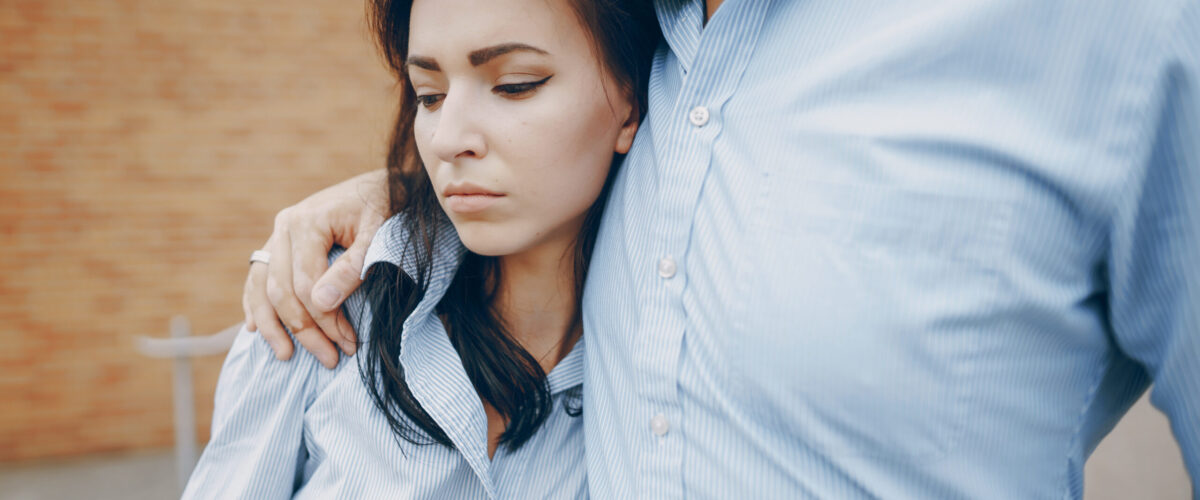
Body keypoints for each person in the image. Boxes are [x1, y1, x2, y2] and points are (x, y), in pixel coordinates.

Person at [247, 0, 1200, 497]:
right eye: (429, 95)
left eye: (516, 86)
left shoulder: (1113, 36)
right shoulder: (634, 41)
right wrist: (411, 204)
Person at [183, 0, 659, 497]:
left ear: (630, 102)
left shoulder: (666, 377)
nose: (447, 139)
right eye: (429, 96)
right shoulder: (320, 301)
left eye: (513, 85)